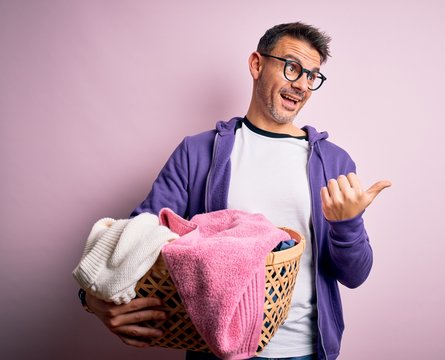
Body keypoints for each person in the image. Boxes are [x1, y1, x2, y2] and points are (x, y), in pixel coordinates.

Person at [79, 22, 391, 360]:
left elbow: (355, 275)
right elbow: (134, 238)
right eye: (292, 68)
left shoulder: (334, 162)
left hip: (304, 351)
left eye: (312, 76)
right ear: (257, 64)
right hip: (217, 349)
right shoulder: (197, 152)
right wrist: (93, 299)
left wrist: (347, 225)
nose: (301, 84)